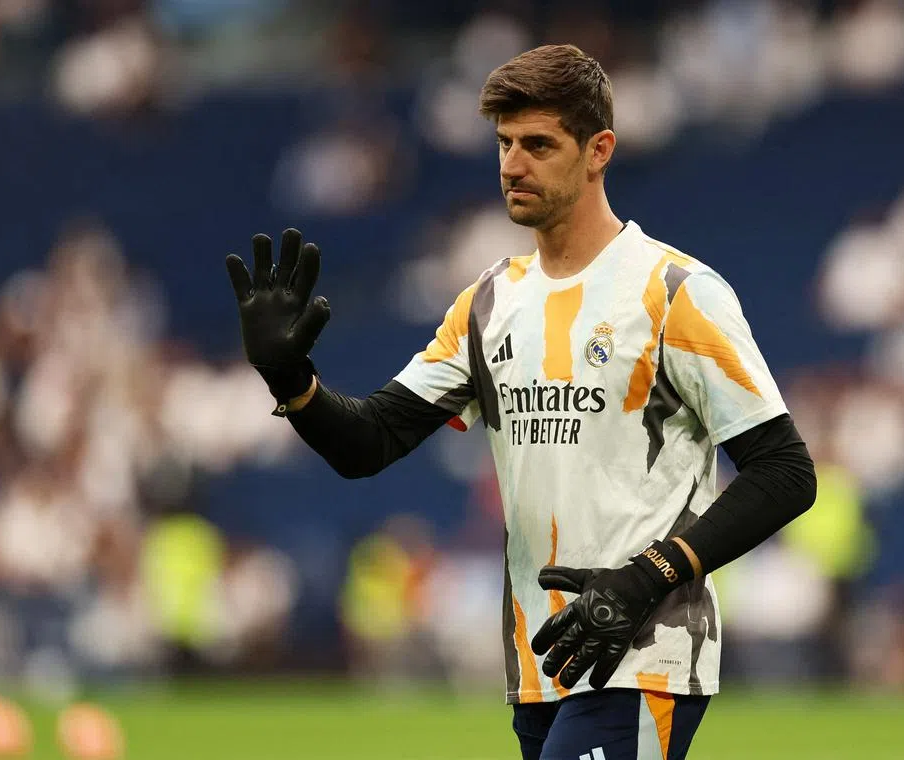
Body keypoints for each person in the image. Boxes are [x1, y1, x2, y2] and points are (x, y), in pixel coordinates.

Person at [226, 44, 817, 760]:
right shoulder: (489, 303)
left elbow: (784, 470)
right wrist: (291, 382)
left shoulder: (676, 293)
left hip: (643, 653)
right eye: (504, 144)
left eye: (538, 144)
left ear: (599, 150)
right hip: (538, 662)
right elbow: (369, 442)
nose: (512, 165)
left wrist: (647, 578)